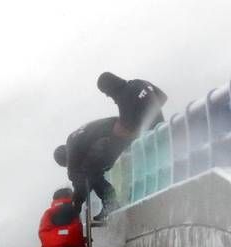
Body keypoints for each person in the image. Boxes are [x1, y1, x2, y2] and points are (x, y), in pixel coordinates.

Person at [53, 73, 167, 220]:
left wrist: (77, 204)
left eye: (107, 93)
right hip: (150, 128)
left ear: (65, 160)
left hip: (114, 137)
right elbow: (162, 98)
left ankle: (110, 203)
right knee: (93, 170)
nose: (109, 97)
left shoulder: (73, 151)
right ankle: (110, 201)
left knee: (90, 172)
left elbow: (79, 181)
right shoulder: (137, 83)